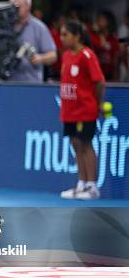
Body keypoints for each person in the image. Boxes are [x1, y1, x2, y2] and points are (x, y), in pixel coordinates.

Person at [59, 20, 106, 200]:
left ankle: (92, 187)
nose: (62, 39)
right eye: (61, 34)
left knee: (86, 145)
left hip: (86, 109)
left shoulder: (87, 55)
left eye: (66, 35)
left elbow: (100, 82)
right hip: (69, 110)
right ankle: (81, 184)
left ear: (77, 36)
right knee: (75, 145)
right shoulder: (65, 56)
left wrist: (97, 103)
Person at [8, 0, 57, 82]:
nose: (14, 9)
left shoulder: (39, 28)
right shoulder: (4, 27)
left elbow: (53, 55)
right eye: (12, 6)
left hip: (31, 83)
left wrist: (40, 58)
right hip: (8, 83)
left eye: (18, 6)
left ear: (28, 7)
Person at [90, 10, 120, 81]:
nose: (98, 21)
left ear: (109, 21)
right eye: (99, 19)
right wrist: (98, 33)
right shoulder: (93, 36)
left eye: (102, 19)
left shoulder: (113, 39)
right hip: (96, 75)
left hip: (110, 75)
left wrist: (116, 78)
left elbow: (116, 60)